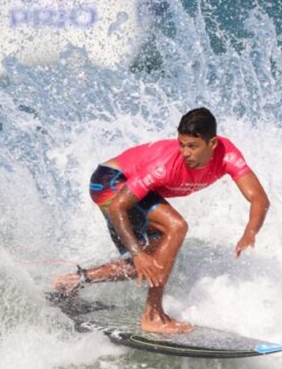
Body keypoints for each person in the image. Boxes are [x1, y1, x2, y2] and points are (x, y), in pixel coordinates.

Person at [52, 107, 269, 333]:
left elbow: (259, 199)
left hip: (124, 189)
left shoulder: (227, 155)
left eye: (192, 146)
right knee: (175, 227)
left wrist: (250, 232)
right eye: (182, 144)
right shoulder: (165, 165)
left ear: (212, 144)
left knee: (151, 264)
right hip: (110, 181)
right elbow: (118, 206)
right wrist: (137, 253)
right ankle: (153, 315)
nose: (185, 152)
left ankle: (73, 281)